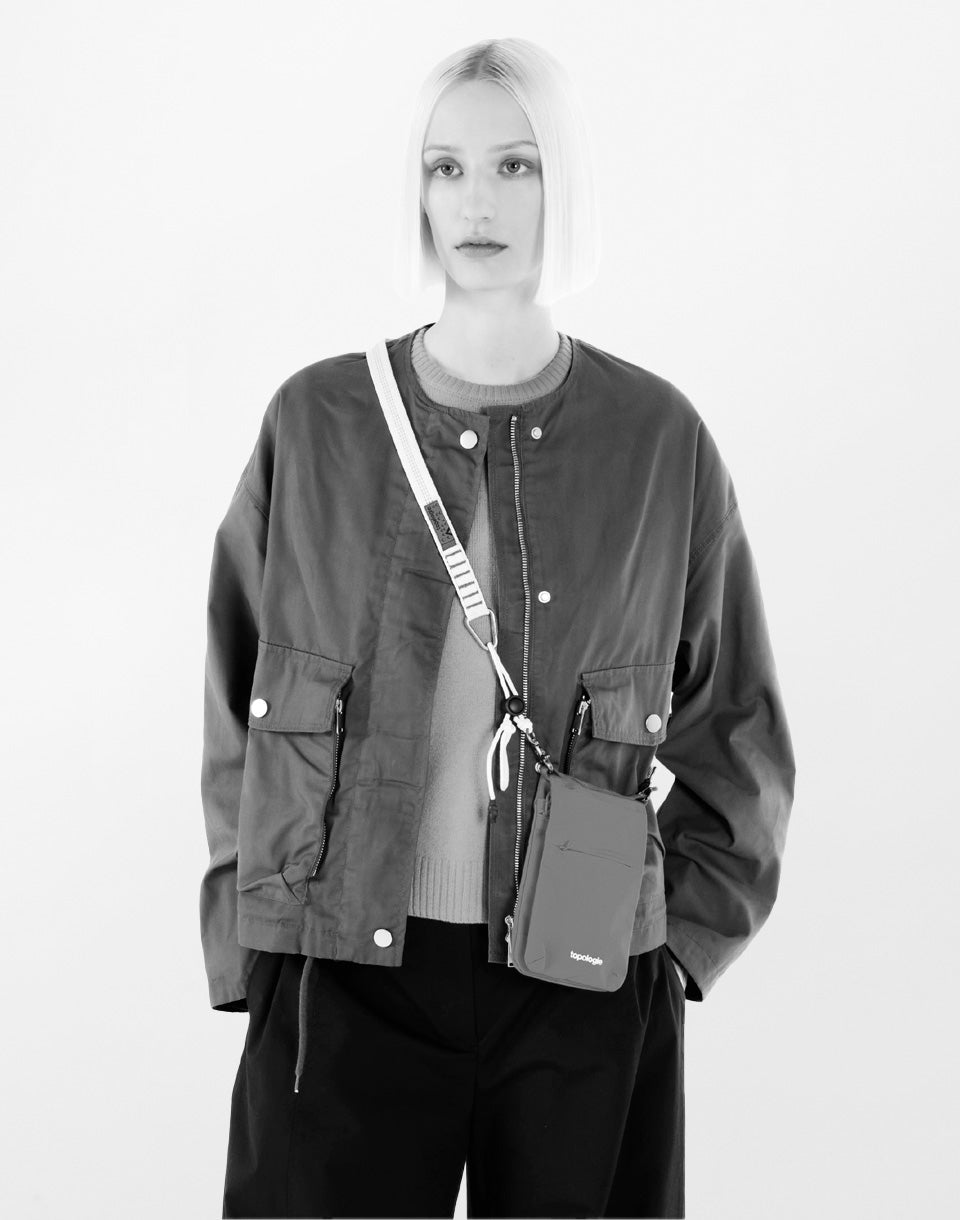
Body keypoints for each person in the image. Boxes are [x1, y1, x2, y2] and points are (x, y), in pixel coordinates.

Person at [199, 36, 796, 1220]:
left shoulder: (657, 438)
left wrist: (673, 947)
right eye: (448, 167)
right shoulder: (316, 421)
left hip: (584, 980)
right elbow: (235, 694)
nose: (478, 202)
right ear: (415, 191)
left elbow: (738, 728)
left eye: (516, 165)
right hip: (342, 970)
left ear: (564, 183)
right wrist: (254, 941)